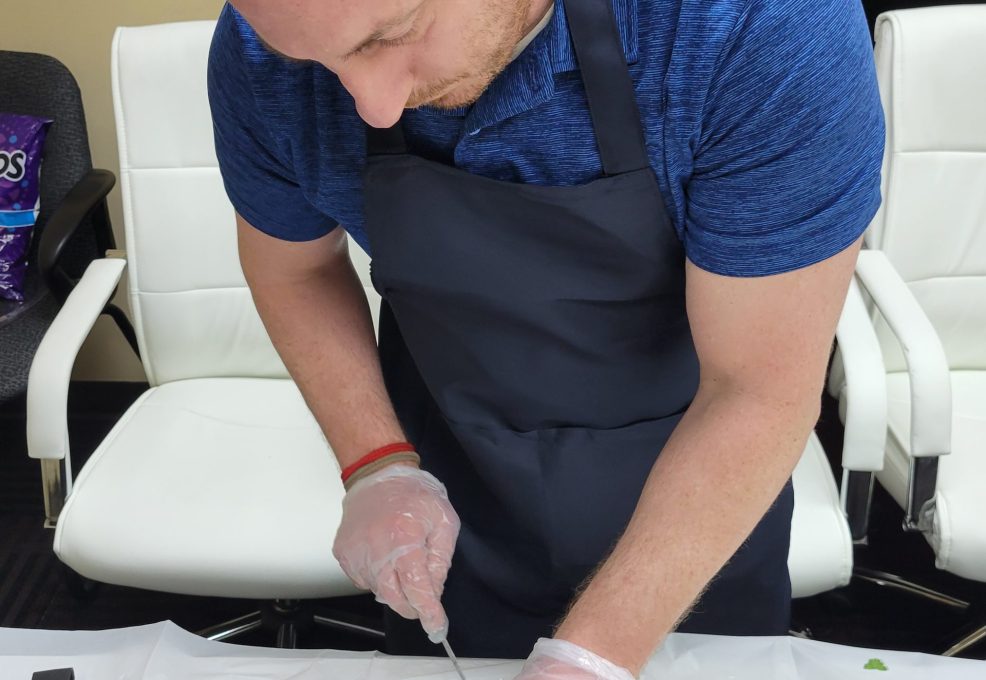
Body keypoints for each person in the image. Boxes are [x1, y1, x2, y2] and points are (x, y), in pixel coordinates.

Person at [207, 0, 884, 677]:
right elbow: (297, 269)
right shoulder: (269, 36)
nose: (374, 106)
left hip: (697, 516)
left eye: (394, 37)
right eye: (319, 64)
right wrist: (377, 464)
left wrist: (591, 658)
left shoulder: (758, 26)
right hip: (457, 504)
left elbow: (757, 393)